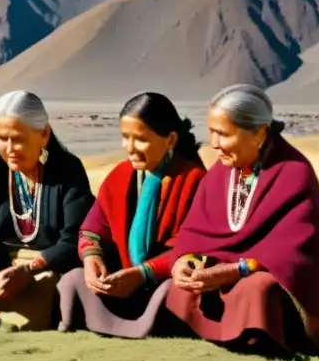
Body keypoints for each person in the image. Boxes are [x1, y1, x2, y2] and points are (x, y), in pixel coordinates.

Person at [165, 84, 319, 355]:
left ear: (258, 133)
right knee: (182, 286)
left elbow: (297, 254)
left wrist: (237, 270)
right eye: (211, 132)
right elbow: (194, 231)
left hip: (265, 276)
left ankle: (264, 335)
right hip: (222, 275)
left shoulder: (294, 173)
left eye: (223, 134)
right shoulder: (221, 171)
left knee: (259, 289)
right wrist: (183, 262)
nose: (214, 144)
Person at [56, 92, 207, 338]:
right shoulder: (121, 175)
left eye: (141, 139)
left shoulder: (195, 181)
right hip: (121, 281)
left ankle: (144, 328)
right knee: (74, 278)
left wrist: (143, 273)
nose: (130, 148)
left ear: (170, 140)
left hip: (160, 281)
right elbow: (92, 228)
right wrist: (92, 258)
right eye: (125, 137)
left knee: (175, 291)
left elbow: (193, 248)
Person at [0, 91, 94, 331]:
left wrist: (29, 270)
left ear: (44, 134)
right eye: (2, 138)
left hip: (48, 270)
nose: (9, 148)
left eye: (17, 139)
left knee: (52, 287)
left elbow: (73, 239)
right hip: (0, 270)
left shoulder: (68, 172)